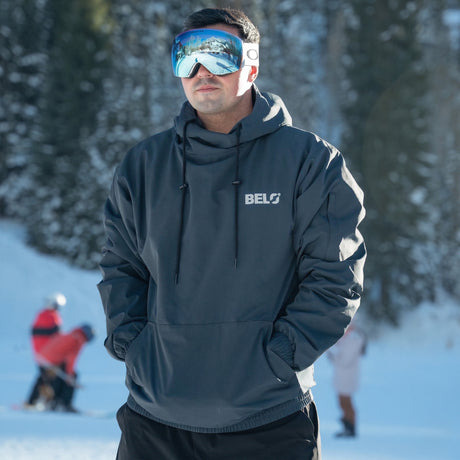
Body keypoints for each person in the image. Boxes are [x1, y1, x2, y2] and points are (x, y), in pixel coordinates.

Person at [98, 7, 366, 460]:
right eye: (186, 57)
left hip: (269, 421)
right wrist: (135, 348)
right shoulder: (144, 166)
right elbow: (121, 268)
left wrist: (279, 360)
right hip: (154, 423)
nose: (201, 70)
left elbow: (335, 279)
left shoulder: (310, 162)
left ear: (251, 65)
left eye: (219, 54)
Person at [35, 324, 95, 412]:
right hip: (51, 362)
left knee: (57, 378)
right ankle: (64, 404)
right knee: (71, 376)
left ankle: (54, 403)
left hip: (42, 358)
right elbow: (71, 358)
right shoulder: (78, 339)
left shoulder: (71, 334)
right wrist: (70, 374)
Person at [26, 292, 67, 407]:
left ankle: (32, 401)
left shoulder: (40, 315)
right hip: (50, 355)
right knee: (51, 378)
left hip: (39, 354)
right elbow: (57, 336)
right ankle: (51, 402)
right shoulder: (53, 316)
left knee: (43, 377)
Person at [327, 321, 367, 437]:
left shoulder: (353, 340)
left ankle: (350, 426)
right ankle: (347, 425)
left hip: (347, 378)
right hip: (344, 377)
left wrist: (331, 356)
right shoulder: (349, 340)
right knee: (343, 401)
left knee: (345, 402)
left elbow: (344, 360)